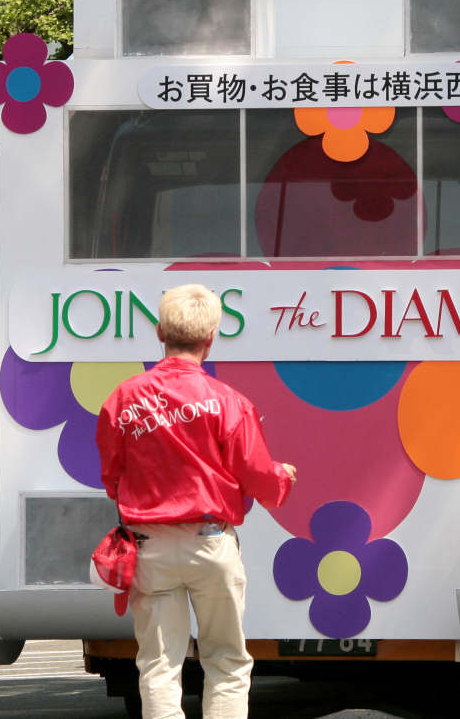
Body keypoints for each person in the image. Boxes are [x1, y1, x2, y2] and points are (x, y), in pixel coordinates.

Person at [97, 283, 298, 719]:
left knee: (159, 664)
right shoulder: (229, 402)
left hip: (149, 546)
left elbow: (111, 476)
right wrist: (281, 477)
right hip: (210, 542)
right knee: (225, 660)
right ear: (211, 338)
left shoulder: (122, 399)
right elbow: (257, 475)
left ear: (159, 332)